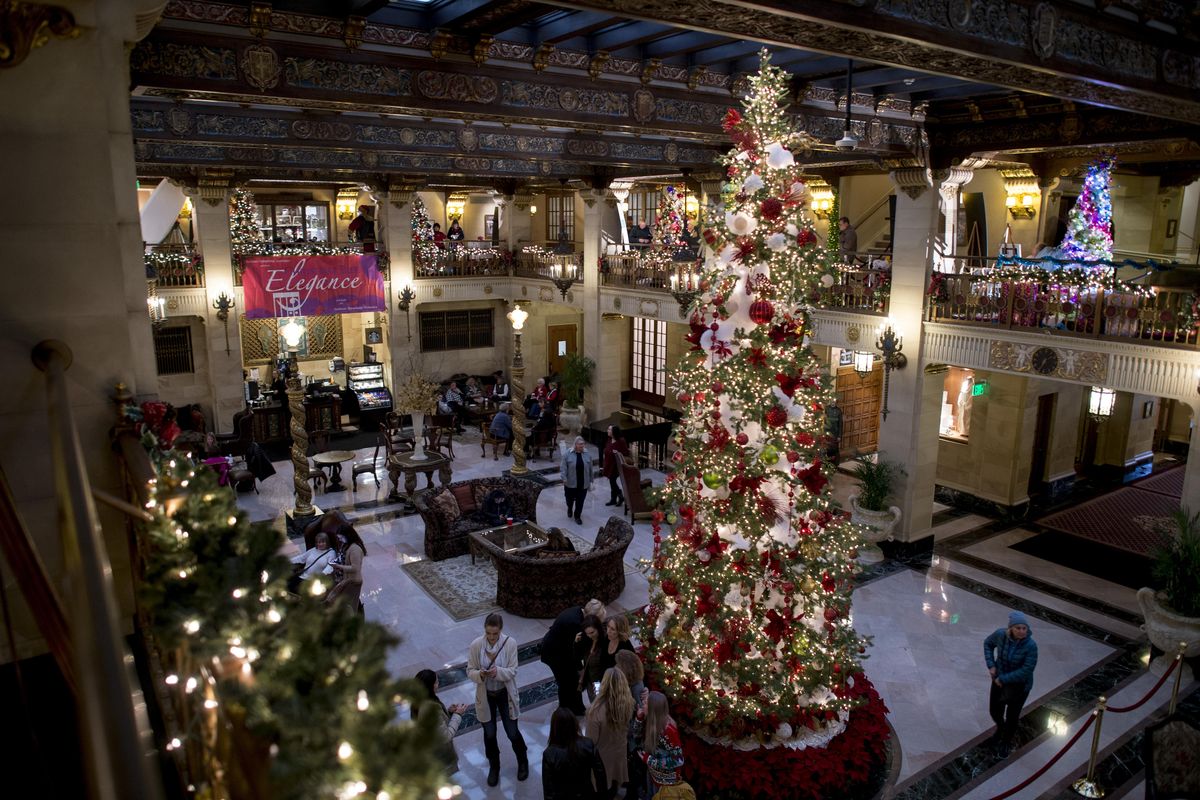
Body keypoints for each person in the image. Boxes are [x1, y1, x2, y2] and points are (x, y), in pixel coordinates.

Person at [468, 612, 529, 786]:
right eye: (489, 633)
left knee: (512, 732)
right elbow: (469, 670)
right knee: (489, 733)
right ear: (484, 631)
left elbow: (513, 670)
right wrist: (480, 674)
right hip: (486, 695)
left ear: (501, 630)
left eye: (495, 634)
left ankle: (523, 761)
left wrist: (497, 672)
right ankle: (494, 767)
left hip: (504, 694)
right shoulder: (476, 646)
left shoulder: (510, 644)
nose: (492, 637)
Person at [983, 610, 1039, 758]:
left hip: (1019, 686)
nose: (1021, 631)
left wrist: (1003, 679)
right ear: (1011, 628)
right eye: (1018, 628)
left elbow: (1026, 670)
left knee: (1012, 716)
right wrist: (991, 665)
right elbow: (988, 644)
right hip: (999, 681)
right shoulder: (1000, 635)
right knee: (994, 710)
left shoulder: (1031, 646)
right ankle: (1001, 728)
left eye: (1024, 628)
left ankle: (1006, 741)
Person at [541, 598, 608, 715]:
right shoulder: (576, 624)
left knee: (573, 680)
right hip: (555, 654)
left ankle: (577, 708)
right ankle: (565, 712)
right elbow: (575, 651)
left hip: (560, 649)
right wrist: (581, 669)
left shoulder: (579, 611)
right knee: (566, 682)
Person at [586, 668, 634, 798]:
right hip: (619, 752)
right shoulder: (628, 703)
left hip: (602, 759)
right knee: (615, 782)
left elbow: (590, 742)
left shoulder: (595, 711)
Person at [542, 706, 607, 800]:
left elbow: (548, 791)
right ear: (574, 724)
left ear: (554, 728)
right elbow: (600, 775)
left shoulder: (549, 754)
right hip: (587, 794)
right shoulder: (588, 744)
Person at [413, 668, 469, 773]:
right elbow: (446, 736)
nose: (438, 684)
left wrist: (449, 712)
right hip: (440, 758)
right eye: (437, 682)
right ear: (431, 686)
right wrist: (458, 715)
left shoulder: (418, 701)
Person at [638, 691, 685, 797]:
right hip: (652, 773)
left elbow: (678, 760)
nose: (642, 706)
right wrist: (639, 718)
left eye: (645, 703)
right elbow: (636, 736)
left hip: (664, 781)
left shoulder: (669, 731)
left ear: (652, 709)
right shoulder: (650, 721)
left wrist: (649, 760)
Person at [325, 524, 366, 609]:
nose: (340, 540)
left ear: (348, 535)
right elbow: (342, 557)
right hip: (345, 578)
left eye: (341, 537)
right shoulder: (346, 544)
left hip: (352, 581)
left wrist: (338, 566)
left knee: (350, 605)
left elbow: (355, 568)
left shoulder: (355, 549)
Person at [561, 436, 594, 526]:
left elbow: (590, 468)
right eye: (580, 444)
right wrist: (564, 478)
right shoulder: (567, 454)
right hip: (570, 482)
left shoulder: (587, 454)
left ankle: (577, 516)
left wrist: (591, 480)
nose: (582, 446)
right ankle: (569, 508)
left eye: (583, 444)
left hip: (583, 483)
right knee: (569, 499)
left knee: (580, 501)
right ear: (575, 445)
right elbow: (563, 467)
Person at [576, 614, 606, 703]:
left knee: (600, 704)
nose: (590, 635)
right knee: (594, 704)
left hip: (600, 681)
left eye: (592, 632)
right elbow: (577, 657)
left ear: (598, 629)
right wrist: (576, 644)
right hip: (590, 681)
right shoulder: (586, 640)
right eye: (587, 633)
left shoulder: (604, 642)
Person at [602, 426, 631, 507]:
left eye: (609, 429)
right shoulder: (609, 439)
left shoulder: (621, 441)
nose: (607, 430)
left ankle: (620, 495)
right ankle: (614, 499)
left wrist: (617, 452)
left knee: (612, 481)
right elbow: (607, 449)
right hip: (609, 464)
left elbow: (626, 452)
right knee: (612, 482)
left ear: (613, 432)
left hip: (616, 465)